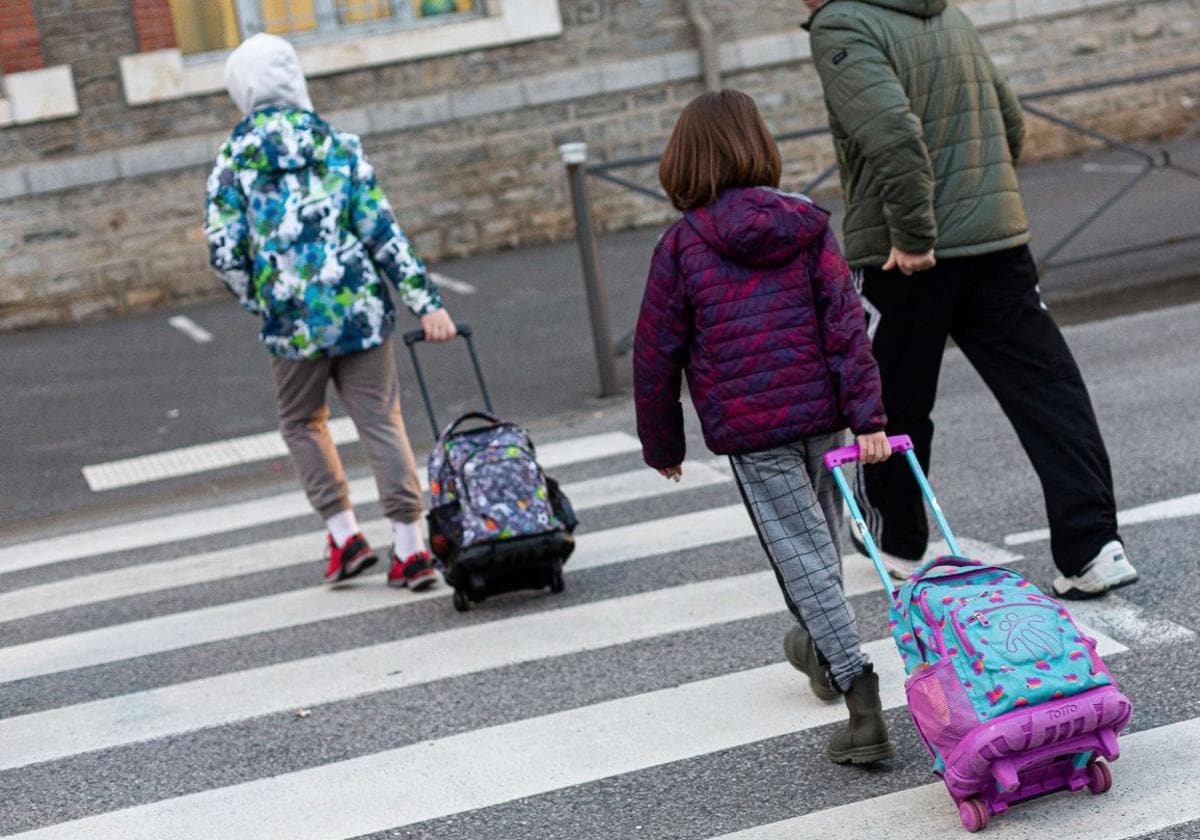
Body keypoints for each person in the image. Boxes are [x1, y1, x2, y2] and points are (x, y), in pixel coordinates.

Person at [802, 0, 1137, 599]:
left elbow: (890, 131)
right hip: (995, 240)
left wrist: (914, 234)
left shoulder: (842, 23)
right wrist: (981, 198)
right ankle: (1092, 548)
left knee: (891, 400)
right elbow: (1007, 118)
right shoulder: (946, 13)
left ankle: (896, 540)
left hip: (905, 254)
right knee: (1046, 389)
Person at [634, 90, 895, 764]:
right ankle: (816, 647)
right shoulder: (807, 226)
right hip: (821, 415)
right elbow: (846, 327)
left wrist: (663, 443)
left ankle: (860, 700)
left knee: (801, 557)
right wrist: (866, 414)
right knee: (821, 547)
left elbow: (655, 353)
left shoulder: (683, 246)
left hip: (751, 429)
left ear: (685, 160)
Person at [205, 33, 455, 590]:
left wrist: (261, 299)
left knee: (301, 422)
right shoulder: (338, 145)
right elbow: (381, 229)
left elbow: (223, 252)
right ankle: (410, 550)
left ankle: (345, 537)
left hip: (290, 324)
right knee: (380, 419)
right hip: (360, 311)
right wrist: (426, 303)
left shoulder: (232, 161)